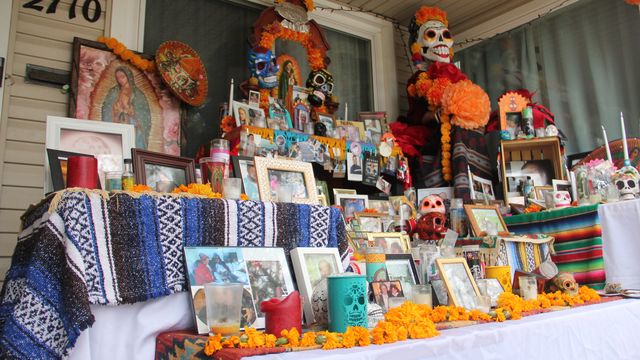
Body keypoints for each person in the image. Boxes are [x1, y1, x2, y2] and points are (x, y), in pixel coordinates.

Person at [102, 66, 151, 149]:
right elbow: (107, 109)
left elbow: (144, 115)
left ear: (128, 76)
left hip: (133, 126)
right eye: (117, 78)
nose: (120, 80)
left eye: (122, 77)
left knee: (131, 147)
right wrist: (116, 112)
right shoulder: (113, 92)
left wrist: (132, 113)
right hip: (118, 124)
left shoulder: (138, 94)